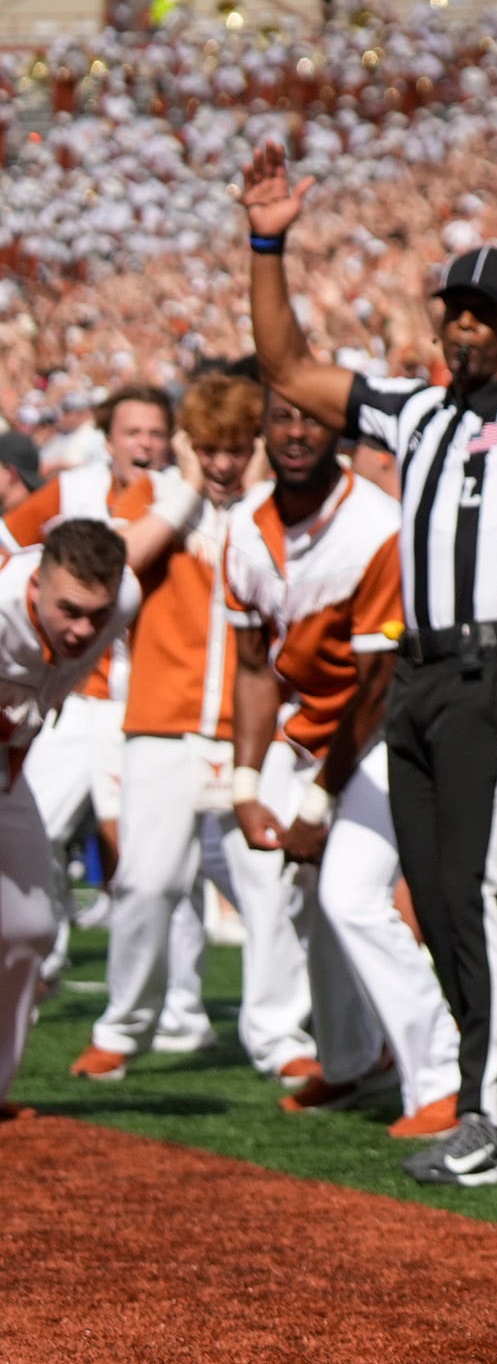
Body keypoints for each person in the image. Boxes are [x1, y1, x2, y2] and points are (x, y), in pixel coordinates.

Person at [243, 141, 497, 1189]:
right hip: (419, 680)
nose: (467, 326)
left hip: (496, 673)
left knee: (472, 891)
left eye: (487, 314)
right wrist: (267, 243)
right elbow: (286, 368)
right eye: (455, 310)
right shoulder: (410, 412)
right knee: (434, 889)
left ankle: (488, 1115)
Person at [224, 380, 462, 1134]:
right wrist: (244, 781)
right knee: (301, 898)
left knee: (353, 894)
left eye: (312, 419)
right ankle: (357, 1059)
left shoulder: (376, 525)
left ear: (343, 434)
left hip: (394, 728)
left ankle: (443, 1074)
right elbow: (256, 666)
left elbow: (376, 683)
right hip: (309, 741)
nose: (295, 432)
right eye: (281, 418)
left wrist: (318, 804)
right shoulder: (242, 525)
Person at [74, 371, 313, 1084]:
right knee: (146, 881)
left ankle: (279, 1033)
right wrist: (180, 486)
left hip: (256, 728)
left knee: (270, 885)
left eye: (235, 446)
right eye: (207, 446)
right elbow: (121, 563)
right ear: (187, 445)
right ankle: (124, 1026)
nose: (220, 462)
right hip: (163, 719)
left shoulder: (279, 512)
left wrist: (262, 492)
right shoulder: (150, 498)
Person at [12, 386, 185, 1006]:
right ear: (107, 438)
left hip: (132, 702)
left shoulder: (177, 502)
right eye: (132, 431)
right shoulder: (69, 493)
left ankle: (178, 1002)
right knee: (49, 833)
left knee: (144, 860)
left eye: (155, 433)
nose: (144, 444)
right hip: (65, 710)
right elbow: (11, 540)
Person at [0, 525, 137, 1105]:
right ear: (36, 583)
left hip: (11, 765)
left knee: (31, 927)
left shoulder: (122, 598)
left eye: (95, 614)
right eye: (69, 611)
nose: (84, 628)